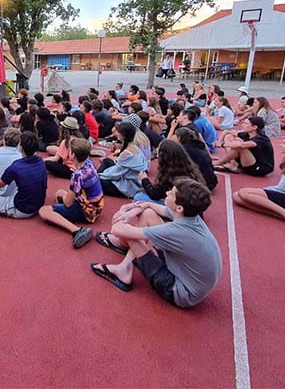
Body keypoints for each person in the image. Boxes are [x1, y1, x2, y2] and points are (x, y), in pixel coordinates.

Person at [91, 178, 222, 308]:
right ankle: (125, 265)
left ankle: (124, 267)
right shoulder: (192, 217)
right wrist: (137, 210)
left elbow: (117, 229)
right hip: (193, 280)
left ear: (179, 207)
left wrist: (123, 211)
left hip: (182, 293)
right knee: (148, 214)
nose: (166, 193)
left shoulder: (175, 231)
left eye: (171, 193)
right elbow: (149, 206)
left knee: (130, 234)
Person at [39, 138, 104, 248]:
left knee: (43, 211)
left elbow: (68, 203)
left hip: (86, 211)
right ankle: (64, 213)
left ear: (73, 155)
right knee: (59, 193)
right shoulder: (89, 163)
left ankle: (77, 230)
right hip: (96, 205)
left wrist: (66, 202)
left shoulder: (77, 175)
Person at [0, 131, 47, 219]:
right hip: (37, 204)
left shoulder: (16, 166)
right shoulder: (41, 162)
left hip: (21, 209)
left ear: (20, 147)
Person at [135, 140, 206, 204]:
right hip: (189, 203)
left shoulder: (171, 174)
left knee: (138, 197)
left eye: (158, 150)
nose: (156, 151)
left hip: (179, 205)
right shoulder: (188, 167)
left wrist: (144, 180)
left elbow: (155, 195)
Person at [97, 122, 148, 198]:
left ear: (123, 135)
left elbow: (115, 174)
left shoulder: (126, 153)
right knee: (106, 161)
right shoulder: (136, 148)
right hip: (133, 182)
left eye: (118, 132)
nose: (117, 133)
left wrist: (98, 176)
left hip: (126, 187)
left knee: (95, 181)